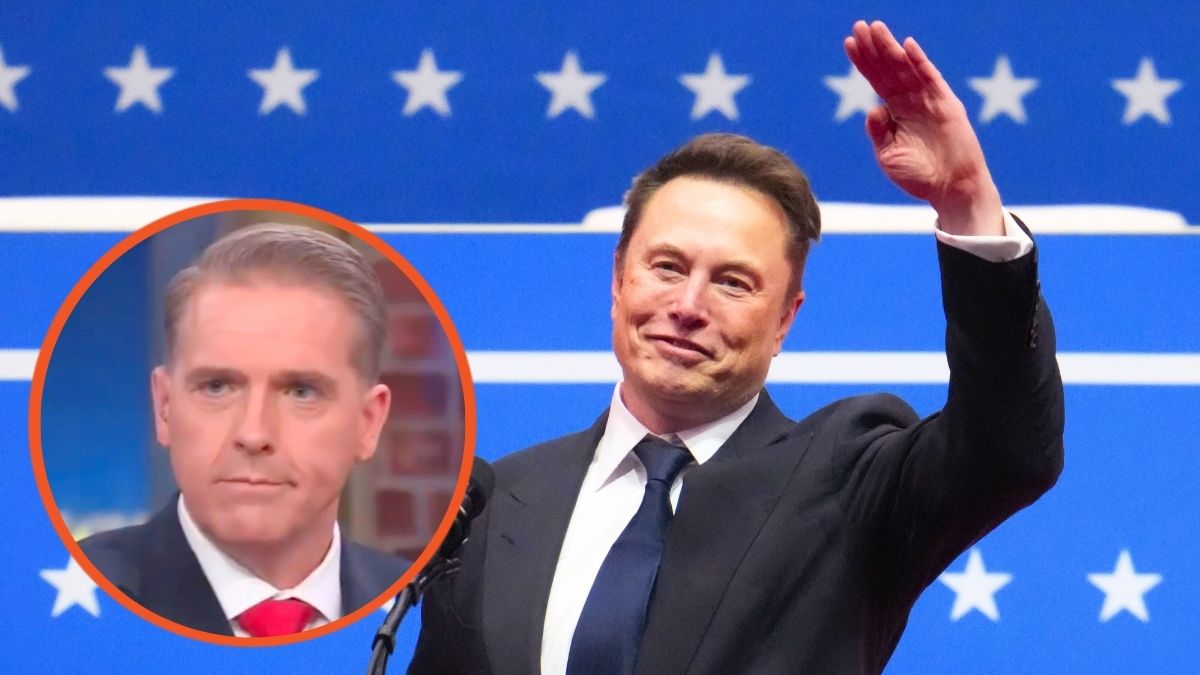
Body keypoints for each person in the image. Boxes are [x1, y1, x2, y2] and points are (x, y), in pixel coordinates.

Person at [409, 20, 1064, 675]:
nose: (688, 306)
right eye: (666, 266)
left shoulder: (847, 482)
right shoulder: (494, 505)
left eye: (732, 281)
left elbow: (1009, 451)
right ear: (617, 280)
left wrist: (967, 202)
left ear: (785, 319)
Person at [80, 223, 409, 638]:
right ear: (164, 407)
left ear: (368, 422)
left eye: (301, 391)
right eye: (217, 387)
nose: (253, 434)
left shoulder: (430, 610)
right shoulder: (67, 605)